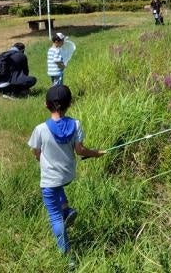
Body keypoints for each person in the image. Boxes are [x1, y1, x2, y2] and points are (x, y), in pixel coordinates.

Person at [28, 85, 104, 262]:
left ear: (46, 105)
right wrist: (96, 153)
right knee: (58, 186)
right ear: (70, 103)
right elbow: (80, 150)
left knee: (55, 218)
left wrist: (40, 157)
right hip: (67, 175)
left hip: (50, 180)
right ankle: (67, 211)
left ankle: (68, 257)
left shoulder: (40, 129)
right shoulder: (76, 124)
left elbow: (36, 153)